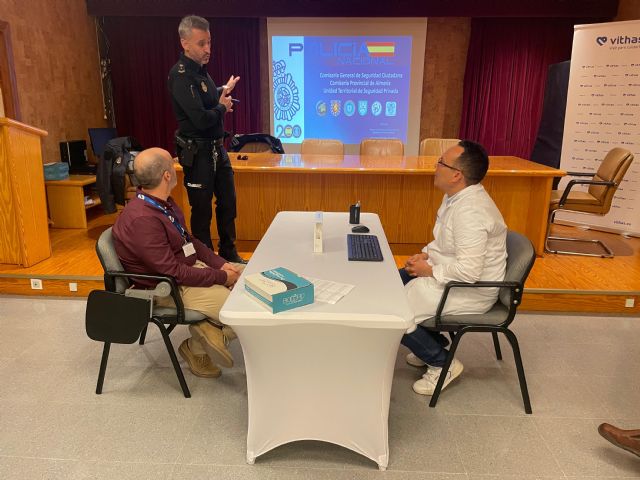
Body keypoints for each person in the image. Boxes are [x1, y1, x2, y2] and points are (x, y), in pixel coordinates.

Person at [112, 147, 243, 379]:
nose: (175, 169)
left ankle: (209, 330)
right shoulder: (143, 219)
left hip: (186, 272)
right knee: (244, 309)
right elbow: (171, 272)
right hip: (167, 288)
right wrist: (222, 277)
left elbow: (189, 240)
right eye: (172, 166)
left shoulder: (162, 203)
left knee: (249, 281)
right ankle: (196, 348)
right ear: (166, 176)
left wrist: (221, 265)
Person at [399, 140, 507, 396]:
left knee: (394, 311)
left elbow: (469, 272)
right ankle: (429, 344)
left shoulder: (471, 211)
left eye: (441, 163)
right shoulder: (456, 198)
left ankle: (441, 362)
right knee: (391, 284)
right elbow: (446, 244)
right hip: (449, 274)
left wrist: (429, 270)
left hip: (470, 289)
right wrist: (425, 255)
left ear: (457, 175)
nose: (435, 167)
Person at [168, 15, 245, 263]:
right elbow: (200, 119)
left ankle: (228, 253)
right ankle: (206, 261)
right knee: (201, 212)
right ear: (185, 43)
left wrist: (222, 93)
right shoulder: (180, 76)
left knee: (228, 204)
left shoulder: (202, 74)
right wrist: (221, 108)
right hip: (198, 153)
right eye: (201, 43)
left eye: (209, 42)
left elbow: (208, 102)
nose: (208, 49)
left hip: (216, 149)